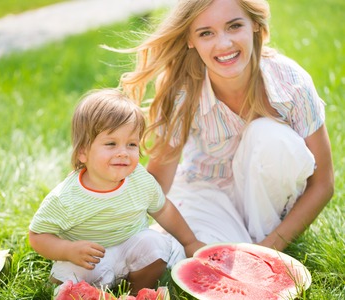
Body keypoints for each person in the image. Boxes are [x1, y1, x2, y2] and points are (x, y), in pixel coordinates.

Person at [115, 0, 334, 253]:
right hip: (208, 193)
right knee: (188, 256)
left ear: (253, 24)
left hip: (271, 201)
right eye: (206, 33)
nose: (224, 44)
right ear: (190, 40)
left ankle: (262, 239)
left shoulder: (291, 83)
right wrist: (100, 196)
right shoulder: (183, 91)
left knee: (267, 134)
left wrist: (270, 248)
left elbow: (323, 183)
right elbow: (158, 182)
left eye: (234, 26)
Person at [28, 89, 203, 294]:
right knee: (66, 278)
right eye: (111, 144)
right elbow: (37, 235)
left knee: (156, 244)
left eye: (131, 144)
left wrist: (189, 241)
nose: (123, 152)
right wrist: (68, 250)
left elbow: (163, 210)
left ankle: (135, 292)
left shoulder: (139, 180)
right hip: (87, 261)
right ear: (83, 151)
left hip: (130, 251)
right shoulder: (66, 197)